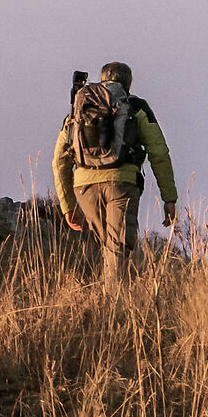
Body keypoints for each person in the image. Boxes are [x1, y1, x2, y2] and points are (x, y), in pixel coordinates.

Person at [52, 62, 177, 284]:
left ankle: (105, 299)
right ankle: (113, 306)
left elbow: (59, 161)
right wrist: (169, 198)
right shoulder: (136, 106)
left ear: (101, 80)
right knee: (117, 248)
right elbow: (159, 153)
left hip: (84, 188)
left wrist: (68, 207)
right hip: (121, 184)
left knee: (108, 247)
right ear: (128, 83)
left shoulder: (79, 107)